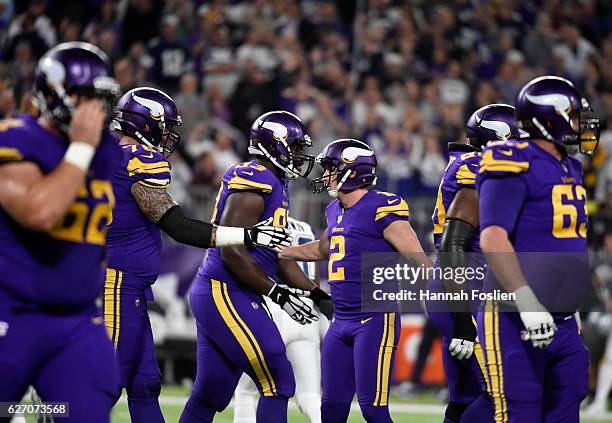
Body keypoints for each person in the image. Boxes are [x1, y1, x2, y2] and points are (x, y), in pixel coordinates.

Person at [104, 88, 293, 423]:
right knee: (102, 385)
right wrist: (246, 235)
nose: (167, 137)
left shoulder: (111, 154)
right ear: (144, 125)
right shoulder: (135, 161)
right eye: (163, 128)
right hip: (117, 282)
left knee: (145, 384)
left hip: (128, 284)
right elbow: (177, 226)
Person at [179, 111, 330, 423]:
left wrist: (318, 296)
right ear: (274, 145)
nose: (301, 155)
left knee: (212, 391)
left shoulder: (276, 182)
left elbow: (281, 259)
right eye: (296, 147)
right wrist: (278, 295)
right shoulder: (256, 179)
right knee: (279, 379)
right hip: (224, 290)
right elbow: (232, 251)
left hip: (232, 292)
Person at [0, 41, 121, 422]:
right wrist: (81, 149)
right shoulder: (17, 138)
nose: (92, 109)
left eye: (98, 98)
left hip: (75, 321)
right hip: (11, 312)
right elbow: (41, 212)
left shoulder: (108, 151)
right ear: (52, 93)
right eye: (82, 96)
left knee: (83, 411)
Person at [280, 139, 433, 423]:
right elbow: (321, 250)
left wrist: (450, 300)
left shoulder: (382, 206)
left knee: (373, 410)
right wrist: (277, 249)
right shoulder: (334, 209)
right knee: (332, 410)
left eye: (331, 168)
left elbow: (419, 259)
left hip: (375, 318)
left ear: (354, 171)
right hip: (341, 321)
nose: (325, 175)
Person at [477, 75, 600, 422]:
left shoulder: (570, 166)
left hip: (564, 322)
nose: (580, 125)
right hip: (515, 318)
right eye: (574, 116)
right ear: (551, 120)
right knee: (519, 415)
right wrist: (527, 300)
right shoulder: (513, 159)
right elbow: (493, 238)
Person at [428, 104, 518, 423]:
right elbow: (454, 246)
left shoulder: (465, 161)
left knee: (463, 399)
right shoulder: (475, 166)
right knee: (500, 394)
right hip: (462, 290)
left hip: (458, 287)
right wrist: (463, 319)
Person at [233, 216, 331, 423]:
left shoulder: (263, 224)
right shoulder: (305, 226)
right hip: (307, 310)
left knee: (246, 391)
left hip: (276, 306)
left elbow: (249, 267)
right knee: (310, 396)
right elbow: (313, 278)